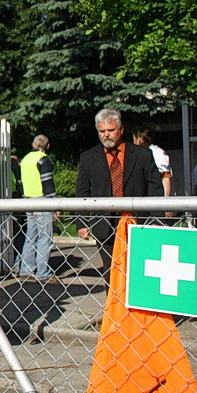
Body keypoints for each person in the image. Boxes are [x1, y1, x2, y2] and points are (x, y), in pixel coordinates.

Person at [75, 109, 162, 275]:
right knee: (111, 271)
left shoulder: (142, 154)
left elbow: (155, 187)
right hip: (105, 225)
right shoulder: (88, 158)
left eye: (110, 130)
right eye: (102, 131)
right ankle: (113, 301)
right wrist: (82, 223)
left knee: (138, 271)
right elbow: (82, 191)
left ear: (121, 130)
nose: (106, 135)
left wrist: (157, 219)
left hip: (137, 222)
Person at [18, 135, 59, 282]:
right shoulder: (43, 159)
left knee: (31, 235)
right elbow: (47, 182)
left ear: (33, 144)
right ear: (47, 146)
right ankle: (43, 272)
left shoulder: (25, 159)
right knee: (45, 237)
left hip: (28, 200)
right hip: (42, 200)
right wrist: (54, 202)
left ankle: (25, 270)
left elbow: (21, 181)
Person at [132, 127, 172, 197]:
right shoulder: (139, 153)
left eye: (134, 140)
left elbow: (165, 176)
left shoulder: (157, 152)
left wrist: (165, 199)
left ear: (139, 140)